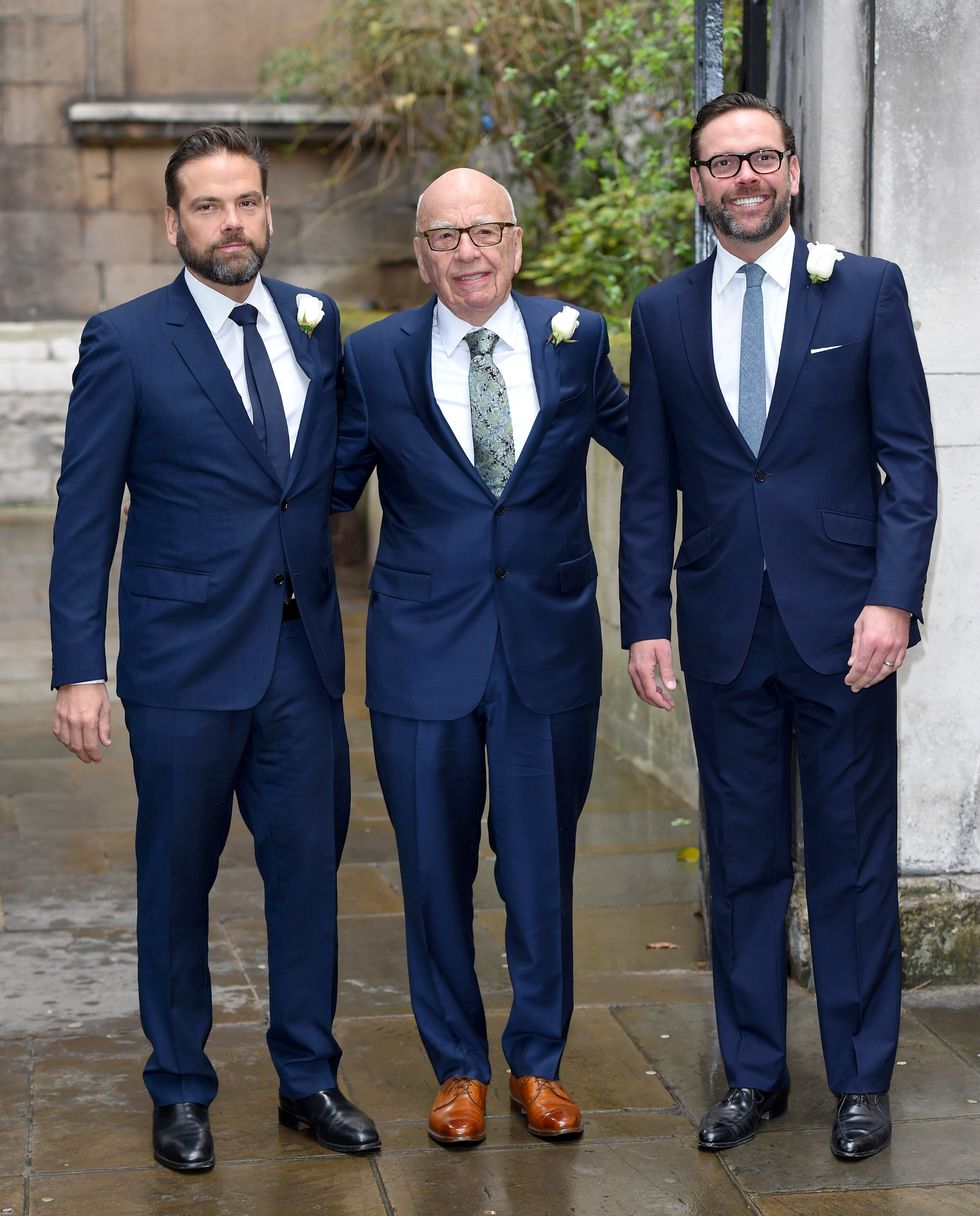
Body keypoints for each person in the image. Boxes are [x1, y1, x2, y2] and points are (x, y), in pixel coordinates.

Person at [49, 125, 379, 1172]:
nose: (230, 223)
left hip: (300, 657)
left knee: (307, 874)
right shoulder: (125, 340)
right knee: (176, 877)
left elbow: (327, 461)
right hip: (183, 660)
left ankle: (308, 1078)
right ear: (173, 223)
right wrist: (79, 667)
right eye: (207, 206)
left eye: (246, 202)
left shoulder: (315, 322)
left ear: (268, 212)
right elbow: (84, 514)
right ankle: (181, 1087)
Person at [619, 93, 937, 1161]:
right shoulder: (661, 312)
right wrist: (643, 620)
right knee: (741, 863)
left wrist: (893, 600)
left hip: (846, 629)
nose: (743, 177)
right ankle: (752, 1073)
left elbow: (909, 463)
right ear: (698, 184)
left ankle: (860, 1081)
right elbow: (648, 483)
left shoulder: (866, 290)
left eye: (761, 157)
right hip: (721, 630)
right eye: (722, 163)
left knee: (851, 861)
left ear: (792, 171)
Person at [332, 168, 627, 1146]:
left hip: (547, 646)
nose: (468, 252)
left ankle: (537, 1061)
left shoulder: (576, 339)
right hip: (422, 651)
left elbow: (655, 449)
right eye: (445, 236)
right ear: (420, 256)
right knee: (431, 870)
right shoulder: (373, 357)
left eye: (485, 231)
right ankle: (456, 1068)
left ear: (516, 242)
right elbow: (323, 486)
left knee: (540, 867)